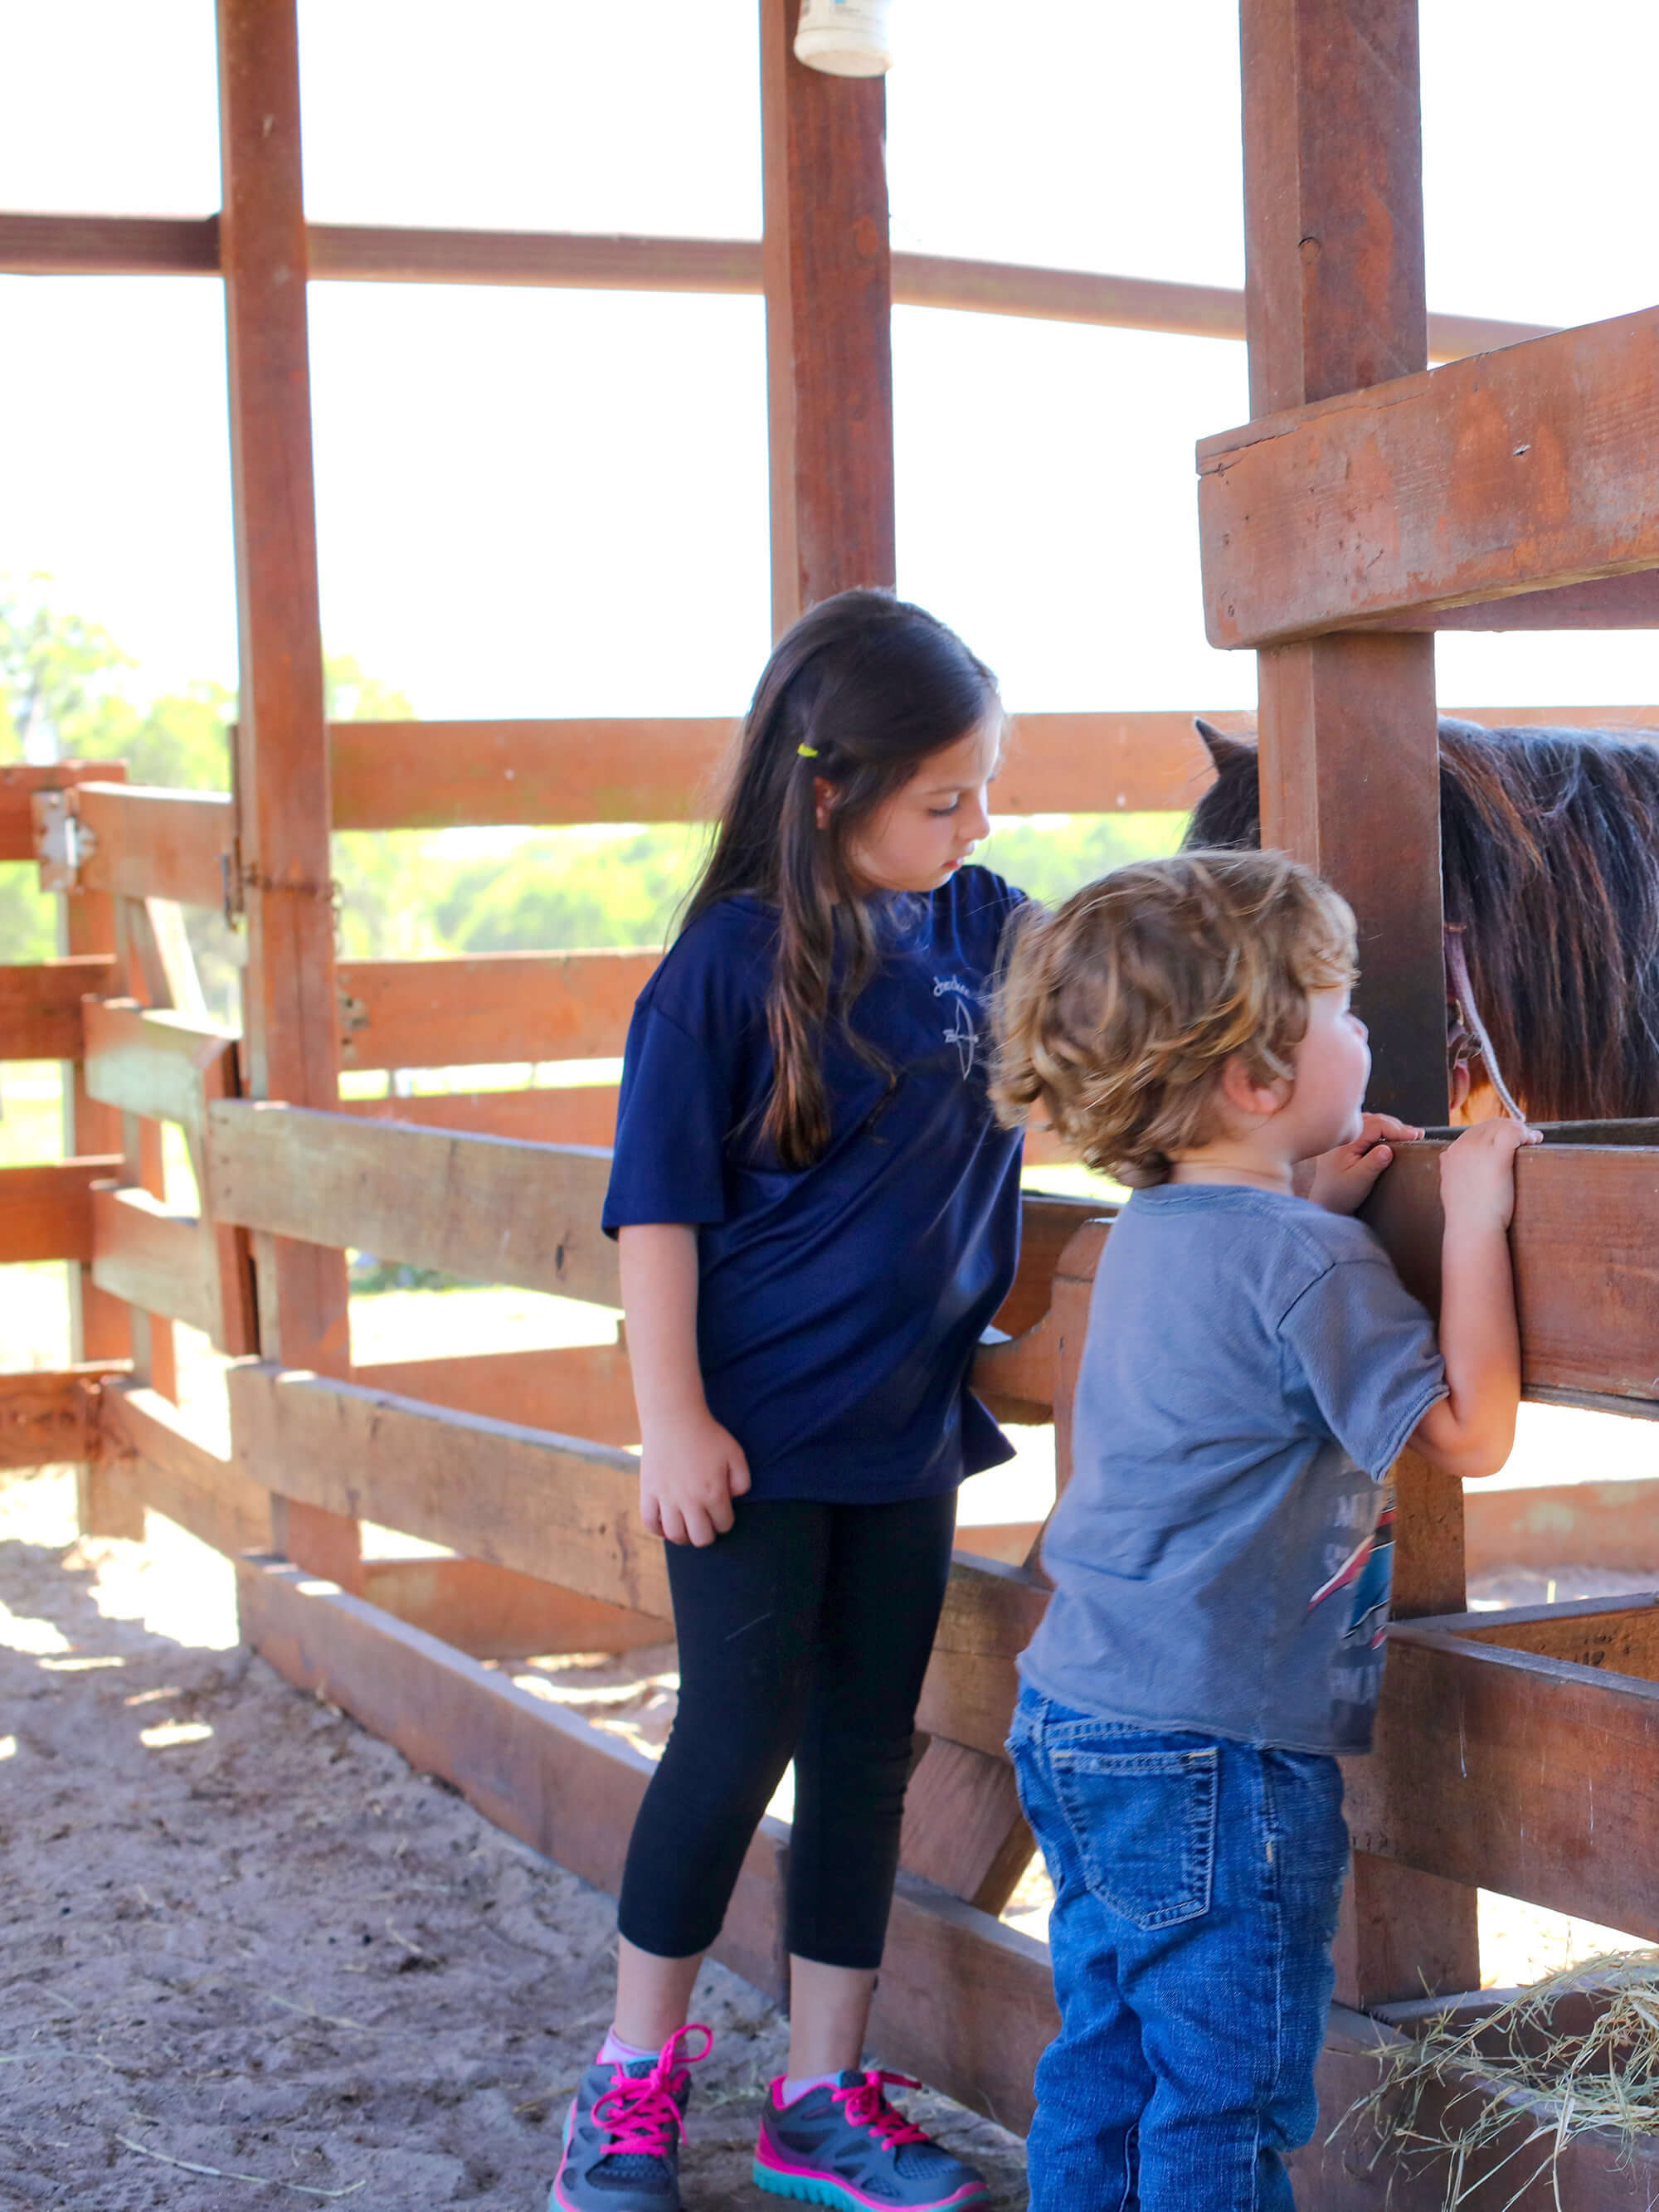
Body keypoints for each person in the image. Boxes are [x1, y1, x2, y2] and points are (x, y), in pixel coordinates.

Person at [550, 590, 1016, 2212]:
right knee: (733, 1735)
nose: (975, 823)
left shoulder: (983, 930)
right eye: (942, 796)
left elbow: (1122, 1035)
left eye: (982, 791)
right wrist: (668, 1415)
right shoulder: (724, 966)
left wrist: (1301, 1120)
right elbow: (659, 1207)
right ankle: (628, 2082)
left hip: (903, 1437)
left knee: (866, 1749)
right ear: (830, 792)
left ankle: (821, 2087)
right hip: (748, 1441)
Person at [987, 852, 1537, 2210]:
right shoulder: (1304, 1261)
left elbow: (1250, 1323)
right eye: (1343, 1008)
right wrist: (1475, 1213)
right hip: (1218, 1751)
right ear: (1253, 1080)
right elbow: (1473, 1433)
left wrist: (1316, 1205)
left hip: (1079, 1714)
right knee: (1226, 2111)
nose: (1368, 1031)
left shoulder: (1162, 1230)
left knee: (1107, 2072)